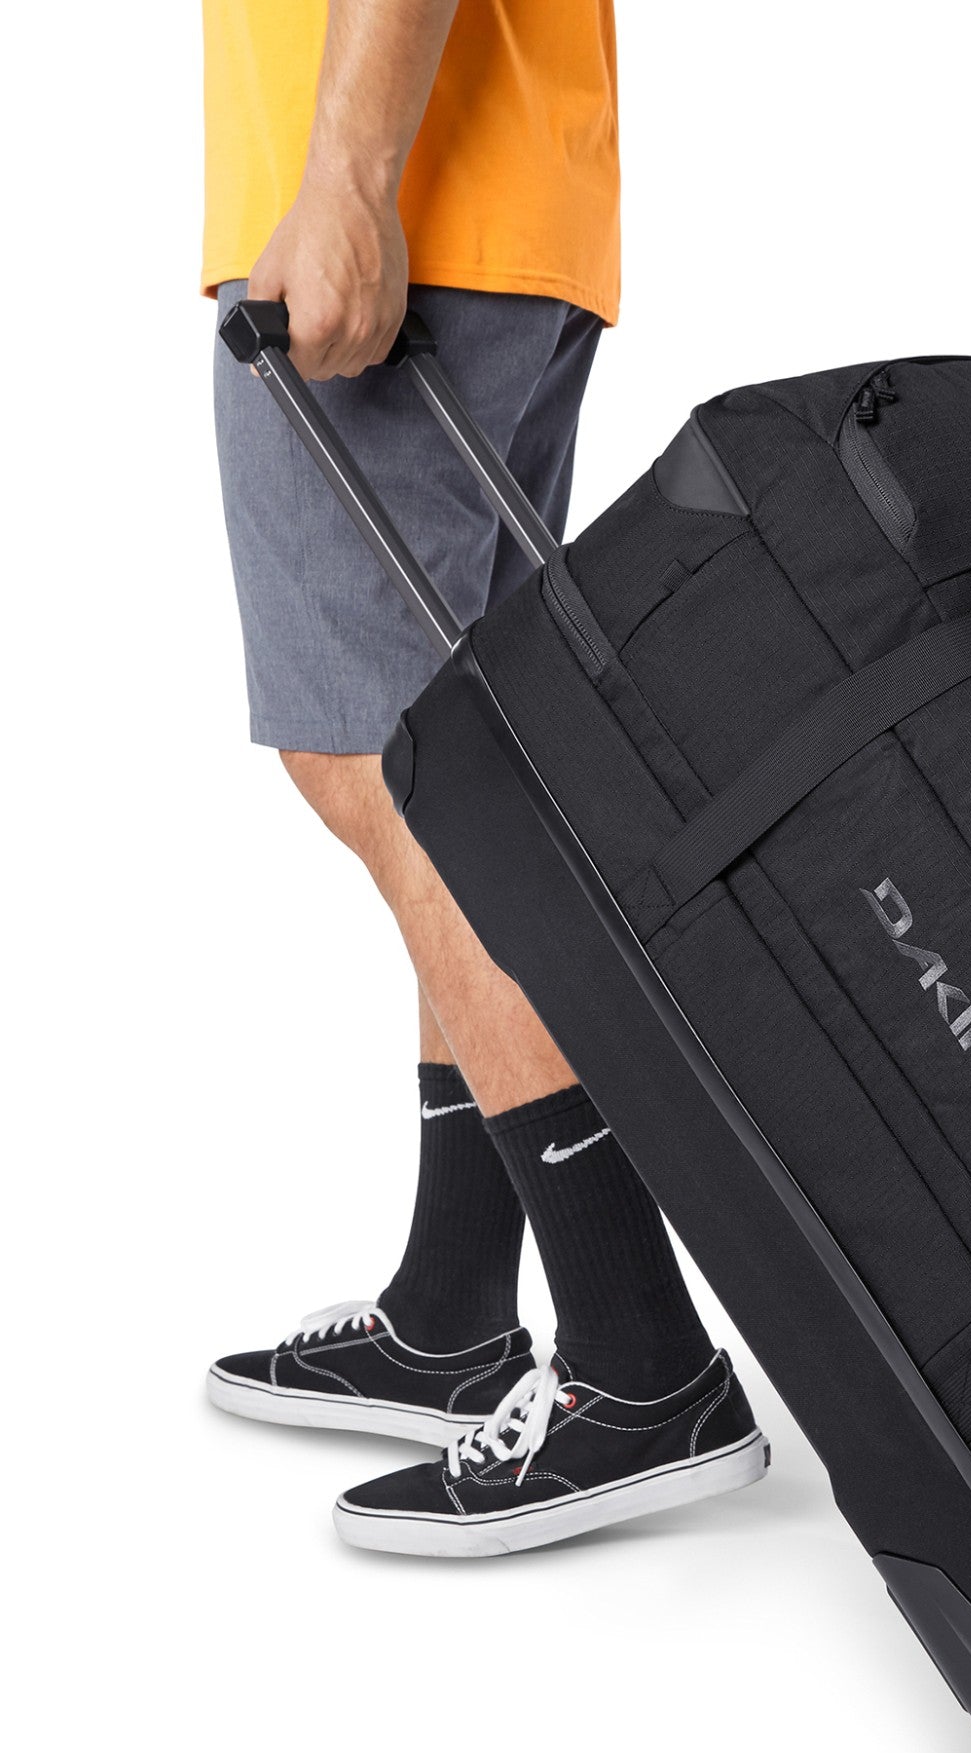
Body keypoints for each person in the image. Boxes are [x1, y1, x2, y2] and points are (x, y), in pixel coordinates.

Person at [201, 0, 767, 1556]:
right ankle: (455, 1306)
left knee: (379, 766)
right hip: (489, 195)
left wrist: (346, 176)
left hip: (400, 206)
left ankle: (641, 1359)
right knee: (466, 764)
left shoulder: (364, 195)